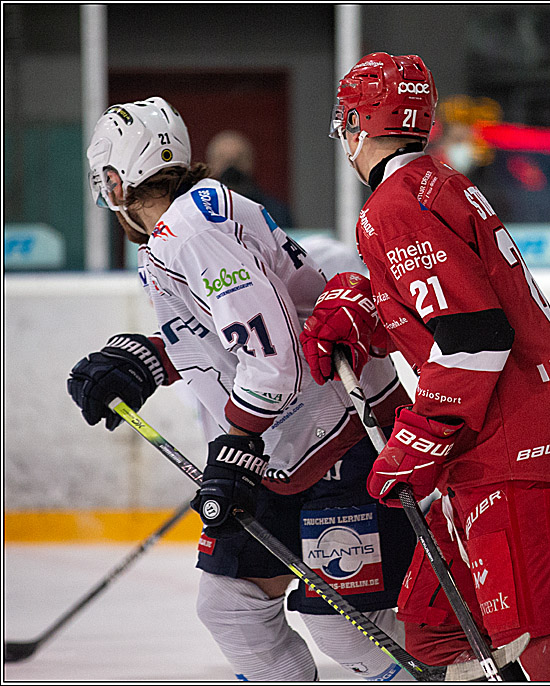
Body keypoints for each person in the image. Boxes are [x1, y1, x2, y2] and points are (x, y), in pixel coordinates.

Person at [300, 52, 550, 681]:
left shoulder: (395, 206)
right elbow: (450, 306)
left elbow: (475, 336)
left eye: (346, 122)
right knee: (434, 631)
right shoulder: (439, 183)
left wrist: (419, 436)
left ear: (359, 122)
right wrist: (367, 312)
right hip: (488, 447)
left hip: (511, 448)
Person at [66, 97, 419, 681]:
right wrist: (145, 360)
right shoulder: (186, 227)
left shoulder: (192, 232)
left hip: (339, 437)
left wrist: (236, 444)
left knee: (347, 624)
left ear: (116, 177)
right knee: (231, 607)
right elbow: (233, 334)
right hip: (288, 443)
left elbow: (274, 355)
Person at [206, 130, 294, 228]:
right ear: (211, 164)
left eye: (238, 159)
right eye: (223, 159)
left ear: (251, 162)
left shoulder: (274, 212)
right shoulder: (198, 212)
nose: (231, 168)